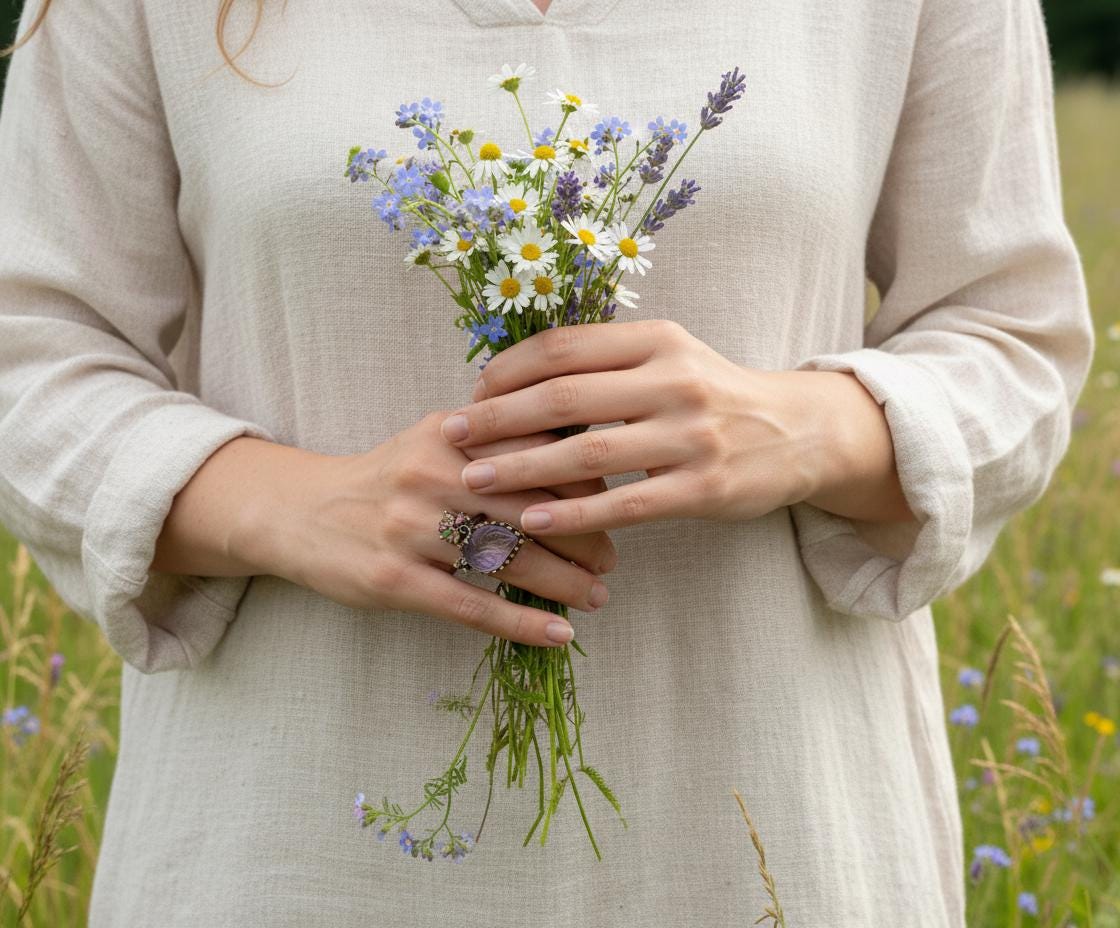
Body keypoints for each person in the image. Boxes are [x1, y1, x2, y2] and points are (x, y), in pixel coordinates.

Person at [0, 0, 1094, 924]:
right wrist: (292, 507)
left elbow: (1012, 337)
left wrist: (800, 426)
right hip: (291, 849)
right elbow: (32, 356)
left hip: (770, 833)